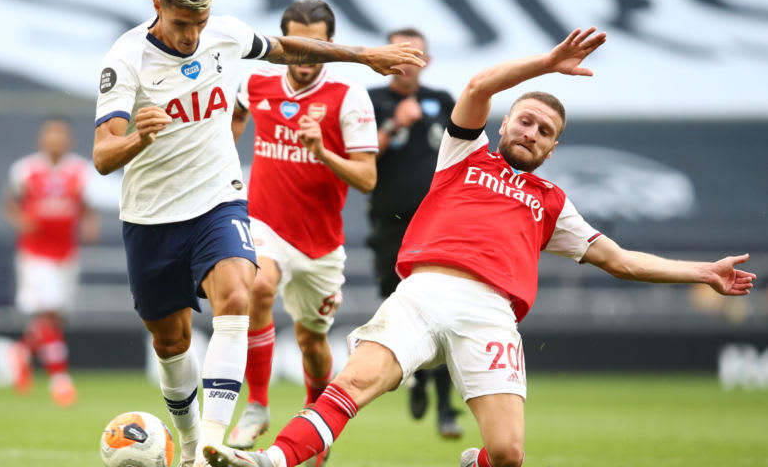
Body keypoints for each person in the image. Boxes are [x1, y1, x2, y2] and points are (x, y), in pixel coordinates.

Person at [200, 27, 757, 467]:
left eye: (544, 131)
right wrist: (545, 64)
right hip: (424, 292)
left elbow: (620, 260)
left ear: (553, 147)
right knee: (354, 384)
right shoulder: (465, 154)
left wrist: (701, 272)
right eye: (525, 120)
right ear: (506, 122)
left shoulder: (552, 203)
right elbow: (476, 88)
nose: (531, 132)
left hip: (491, 315)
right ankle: (271, 460)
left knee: (509, 453)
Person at [92, 0, 423, 467]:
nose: (191, 36)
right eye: (181, 24)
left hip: (217, 201)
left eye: (199, 24)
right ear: (158, 8)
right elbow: (102, 155)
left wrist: (362, 55)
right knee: (170, 340)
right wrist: (140, 136)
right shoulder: (126, 59)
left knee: (239, 294)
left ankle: (210, 448)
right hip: (152, 216)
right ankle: (186, 447)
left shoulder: (223, 34)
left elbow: (287, 48)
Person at [225, 0, 378, 466]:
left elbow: (367, 178)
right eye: (297, 46)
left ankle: (314, 421)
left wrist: (322, 150)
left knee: (313, 343)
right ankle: (257, 405)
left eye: (316, 47)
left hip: (321, 245)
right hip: (264, 222)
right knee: (259, 285)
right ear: (283, 40)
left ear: (330, 44)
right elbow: (231, 124)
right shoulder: (256, 80)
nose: (305, 57)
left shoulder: (349, 97)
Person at [367, 27, 461, 438]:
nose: (406, 63)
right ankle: (418, 380)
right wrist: (391, 124)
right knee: (399, 306)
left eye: (415, 55)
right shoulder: (370, 101)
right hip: (389, 224)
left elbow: (465, 151)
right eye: (398, 54)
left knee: (441, 307)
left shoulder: (442, 102)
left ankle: (445, 407)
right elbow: (359, 159)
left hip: (438, 224)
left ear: (428, 61)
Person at [4, 115, 99, 407]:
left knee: (56, 315)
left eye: (61, 134)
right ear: (41, 139)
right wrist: (21, 220)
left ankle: (21, 350)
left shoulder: (80, 170)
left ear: (69, 139)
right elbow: (10, 202)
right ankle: (61, 381)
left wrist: (89, 223)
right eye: (51, 134)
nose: (56, 139)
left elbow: (86, 205)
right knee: (46, 312)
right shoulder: (25, 170)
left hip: (66, 252)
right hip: (35, 252)